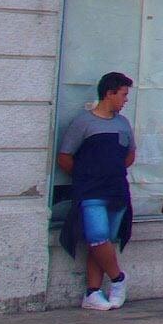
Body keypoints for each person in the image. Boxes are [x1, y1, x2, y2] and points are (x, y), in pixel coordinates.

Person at [58, 71, 137, 311]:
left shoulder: (123, 123)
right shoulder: (83, 122)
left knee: (104, 243)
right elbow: (65, 157)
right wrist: (86, 175)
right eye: (123, 94)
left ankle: (92, 292)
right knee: (97, 236)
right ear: (109, 93)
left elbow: (130, 155)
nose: (126, 100)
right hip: (91, 191)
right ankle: (118, 279)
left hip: (117, 190)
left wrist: (112, 170)